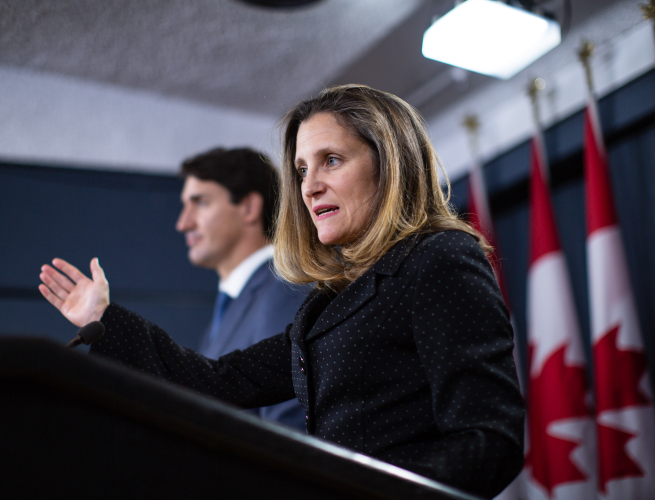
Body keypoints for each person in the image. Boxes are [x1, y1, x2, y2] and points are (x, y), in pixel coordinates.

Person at [39, 84, 524, 498]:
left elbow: (490, 440)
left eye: (331, 161)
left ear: (390, 164)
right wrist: (105, 319)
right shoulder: (325, 303)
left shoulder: (438, 258)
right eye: (301, 170)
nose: (309, 187)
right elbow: (217, 381)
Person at [40, 147, 308, 430]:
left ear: (249, 207)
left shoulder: (284, 290)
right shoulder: (234, 304)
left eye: (200, 202)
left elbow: (289, 424)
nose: (183, 223)